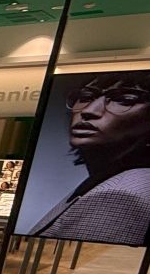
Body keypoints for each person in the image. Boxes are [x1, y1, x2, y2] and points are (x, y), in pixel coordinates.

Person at [28, 73, 150, 245]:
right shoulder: (117, 181)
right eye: (85, 97)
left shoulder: (119, 195)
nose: (88, 111)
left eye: (124, 100)